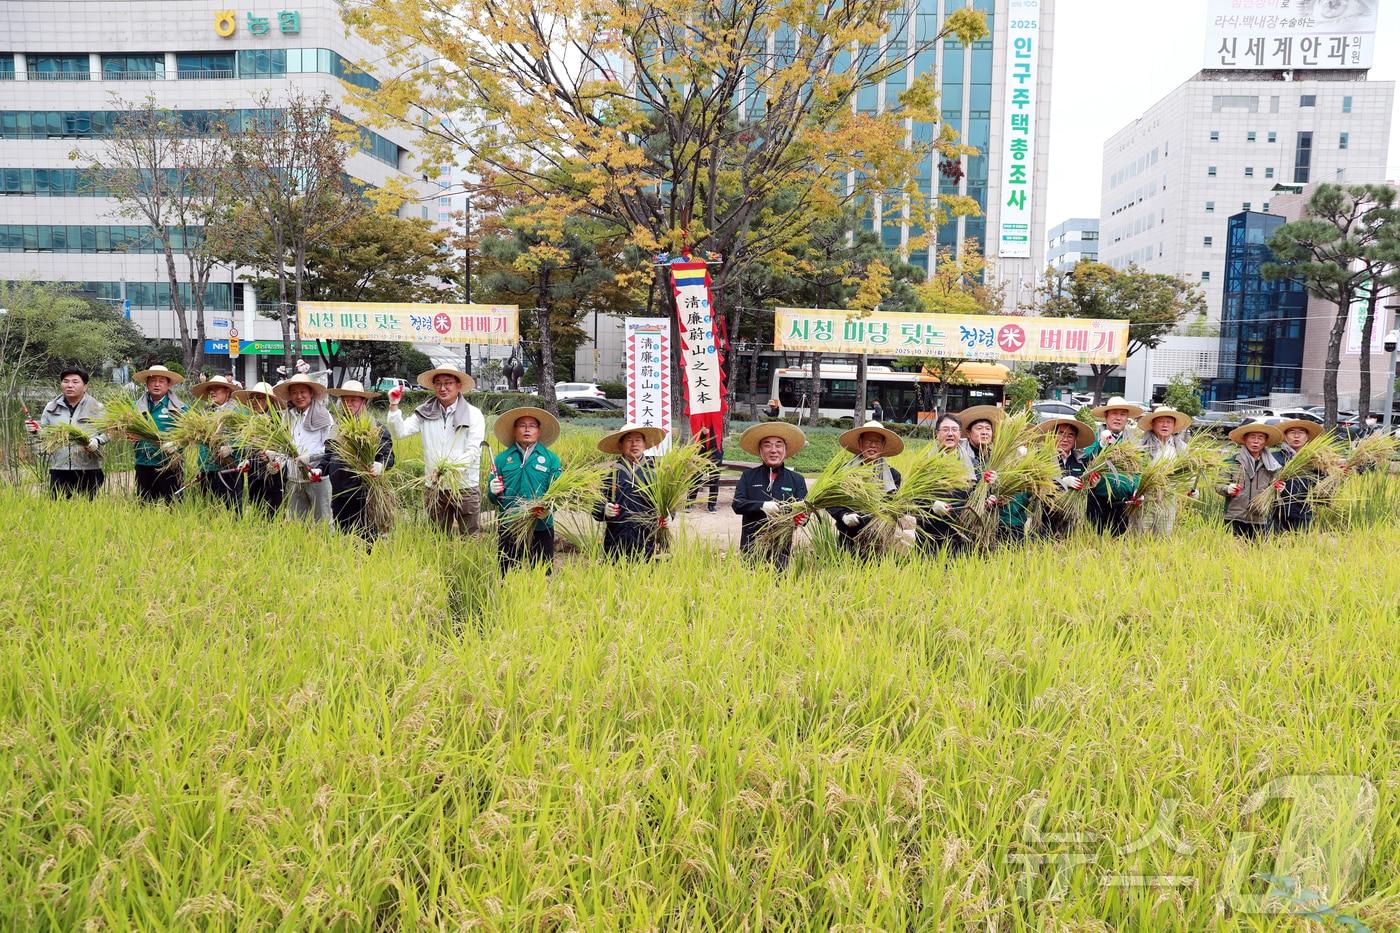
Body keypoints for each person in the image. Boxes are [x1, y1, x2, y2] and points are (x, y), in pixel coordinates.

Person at [388, 365, 486, 535]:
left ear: (458, 386)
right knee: (437, 536)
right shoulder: (425, 412)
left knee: (470, 537)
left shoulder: (473, 414)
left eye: (448, 383)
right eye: (438, 383)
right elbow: (399, 432)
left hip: (465, 486)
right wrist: (394, 405)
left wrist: (448, 470)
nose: (443, 388)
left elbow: (474, 451)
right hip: (434, 486)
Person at [487, 406, 562, 571]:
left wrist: (549, 509)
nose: (527, 429)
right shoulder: (502, 459)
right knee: (507, 573)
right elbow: (492, 498)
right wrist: (492, 490)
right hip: (510, 524)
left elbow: (559, 493)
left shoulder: (551, 460)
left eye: (532, 425)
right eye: (522, 425)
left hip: (541, 525)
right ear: (514, 430)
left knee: (542, 575)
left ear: (539, 431)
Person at [324, 380, 395, 543]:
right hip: (339, 495)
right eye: (345, 400)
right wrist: (319, 470)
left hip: (364, 496)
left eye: (354, 400)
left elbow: (389, 457)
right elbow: (328, 456)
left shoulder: (376, 427)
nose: (348, 404)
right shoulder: (337, 428)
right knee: (344, 539)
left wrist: (380, 466)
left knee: (367, 540)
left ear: (364, 402)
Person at [732, 422, 809, 568]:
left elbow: (804, 512)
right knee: (749, 585)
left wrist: (802, 518)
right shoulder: (748, 476)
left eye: (779, 445)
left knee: (780, 584)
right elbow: (737, 504)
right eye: (767, 445)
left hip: (781, 548)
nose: (773, 450)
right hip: (751, 546)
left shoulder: (796, 479)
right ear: (760, 451)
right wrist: (762, 506)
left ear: (785, 451)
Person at [27, 367, 107, 498]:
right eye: (66, 381)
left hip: (88, 468)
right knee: (59, 511)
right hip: (59, 468)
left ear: (85, 386)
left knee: (88, 511)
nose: (70, 385)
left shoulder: (97, 407)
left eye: (75, 382)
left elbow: (108, 433)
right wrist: (36, 431)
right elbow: (45, 435)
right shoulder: (50, 407)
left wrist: (96, 441)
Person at [593, 423, 669, 560]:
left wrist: (668, 515)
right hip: (615, 540)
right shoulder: (610, 472)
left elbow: (667, 504)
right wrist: (604, 510)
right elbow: (596, 504)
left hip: (647, 540)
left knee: (646, 578)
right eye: (629, 440)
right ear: (620, 446)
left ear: (645, 445)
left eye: (638, 440)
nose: (634, 444)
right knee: (614, 577)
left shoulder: (656, 472)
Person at [828, 420, 903, 555]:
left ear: (884, 446)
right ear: (860, 444)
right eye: (868, 441)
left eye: (877, 442)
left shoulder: (893, 476)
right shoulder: (843, 471)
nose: (873, 445)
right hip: (848, 537)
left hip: (880, 539)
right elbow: (829, 500)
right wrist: (843, 515)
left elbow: (893, 506)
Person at [272, 373, 333, 523]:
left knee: (322, 520)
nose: (299, 396)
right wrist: (277, 460)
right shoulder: (288, 416)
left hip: (317, 475)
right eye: (294, 392)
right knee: (296, 521)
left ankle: (326, 546)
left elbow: (330, 449)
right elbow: (284, 445)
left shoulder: (324, 416)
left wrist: (310, 458)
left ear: (311, 393)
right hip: (294, 476)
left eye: (302, 392)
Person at [1082, 397, 1144, 536]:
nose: (1118, 418)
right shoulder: (1095, 437)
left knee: (1117, 544)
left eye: (1122, 414)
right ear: (1106, 416)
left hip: (1122, 503)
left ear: (1127, 418)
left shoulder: (1132, 443)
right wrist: (1101, 445)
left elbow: (1138, 471)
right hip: (1097, 501)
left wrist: (1135, 490)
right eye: (1114, 413)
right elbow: (1084, 460)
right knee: (1093, 540)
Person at [915, 413, 971, 552]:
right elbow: (911, 495)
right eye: (945, 430)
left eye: (954, 430)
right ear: (937, 434)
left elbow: (977, 492)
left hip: (961, 528)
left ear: (960, 434)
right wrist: (931, 505)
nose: (950, 434)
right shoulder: (924, 462)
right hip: (929, 528)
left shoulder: (972, 463)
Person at [1219, 421, 1283, 539]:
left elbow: (1274, 488)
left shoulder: (1272, 465)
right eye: (1252, 437)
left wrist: (1278, 489)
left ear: (1265, 442)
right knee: (1231, 552)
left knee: (1256, 553)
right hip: (1234, 515)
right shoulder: (1232, 462)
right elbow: (1218, 485)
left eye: (1260, 438)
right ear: (1245, 439)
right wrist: (1227, 488)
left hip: (1260, 517)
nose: (1256, 441)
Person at [131, 365, 186, 503]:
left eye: (161, 381)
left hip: (170, 465)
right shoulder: (136, 407)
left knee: (174, 505)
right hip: (143, 463)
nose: (157, 384)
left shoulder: (180, 408)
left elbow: (189, 435)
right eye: (153, 380)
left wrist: (176, 444)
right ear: (147, 383)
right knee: (145, 506)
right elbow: (126, 429)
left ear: (168, 384)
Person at [1135, 407, 1193, 535]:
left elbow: (1188, 472)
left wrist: (1192, 489)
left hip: (1168, 496)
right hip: (1145, 495)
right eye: (1161, 421)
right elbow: (1134, 471)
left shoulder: (1181, 447)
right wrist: (1135, 491)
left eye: (1169, 422)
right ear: (1153, 424)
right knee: (1139, 533)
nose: (1165, 425)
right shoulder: (1140, 446)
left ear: (1174, 426)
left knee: (1164, 534)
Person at [190, 375, 244, 511]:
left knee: (232, 509)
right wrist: (200, 465)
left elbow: (246, 438)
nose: (212, 392)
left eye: (217, 388)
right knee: (209, 508)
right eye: (210, 389)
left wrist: (231, 448)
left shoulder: (239, 411)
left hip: (230, 468)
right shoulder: (207, 413)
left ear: (227, 391)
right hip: (208, 468)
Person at [233, 381, 285, 516]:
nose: (255, 401)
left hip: (274, 473)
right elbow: (247, 447)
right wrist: (247, 460)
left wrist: (272, 456)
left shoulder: (280, 421)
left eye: (260, 397)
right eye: (252, 398)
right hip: (254, 474)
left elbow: (287, 449)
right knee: (257, 508)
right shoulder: (249, 421)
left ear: (270, 401)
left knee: (274, 512)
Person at [1038, 416, 1091, 537]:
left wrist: (1092, 483)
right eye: (1061, 434)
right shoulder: (1043, 458)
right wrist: (1062, 482)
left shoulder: (1080, 461)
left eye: (1070, 435)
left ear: (1075, 439)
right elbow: (1038, 485)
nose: (1065, 439)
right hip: (1044, 520)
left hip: (1071, 522)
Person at [1273, 418, 1323, 532]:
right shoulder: (1274, 458)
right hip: (1276, 512)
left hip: (1303, 512)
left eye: (1301, 433)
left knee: (1300, 546)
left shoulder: (1315, 460)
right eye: (1292, 432)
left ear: (1307, 437)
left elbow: (1323, 484)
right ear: (1285, 437)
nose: (1296, 436)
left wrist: (1340, 475)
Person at [687, 425, 722, 512]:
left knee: (714, 479)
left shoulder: (717, 418)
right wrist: (702, 433)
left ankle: (712, 505)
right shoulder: (700, 419)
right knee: (696, 477)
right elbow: (696, 438)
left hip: (716, 451)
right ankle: (689, 503)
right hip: (701, 451)